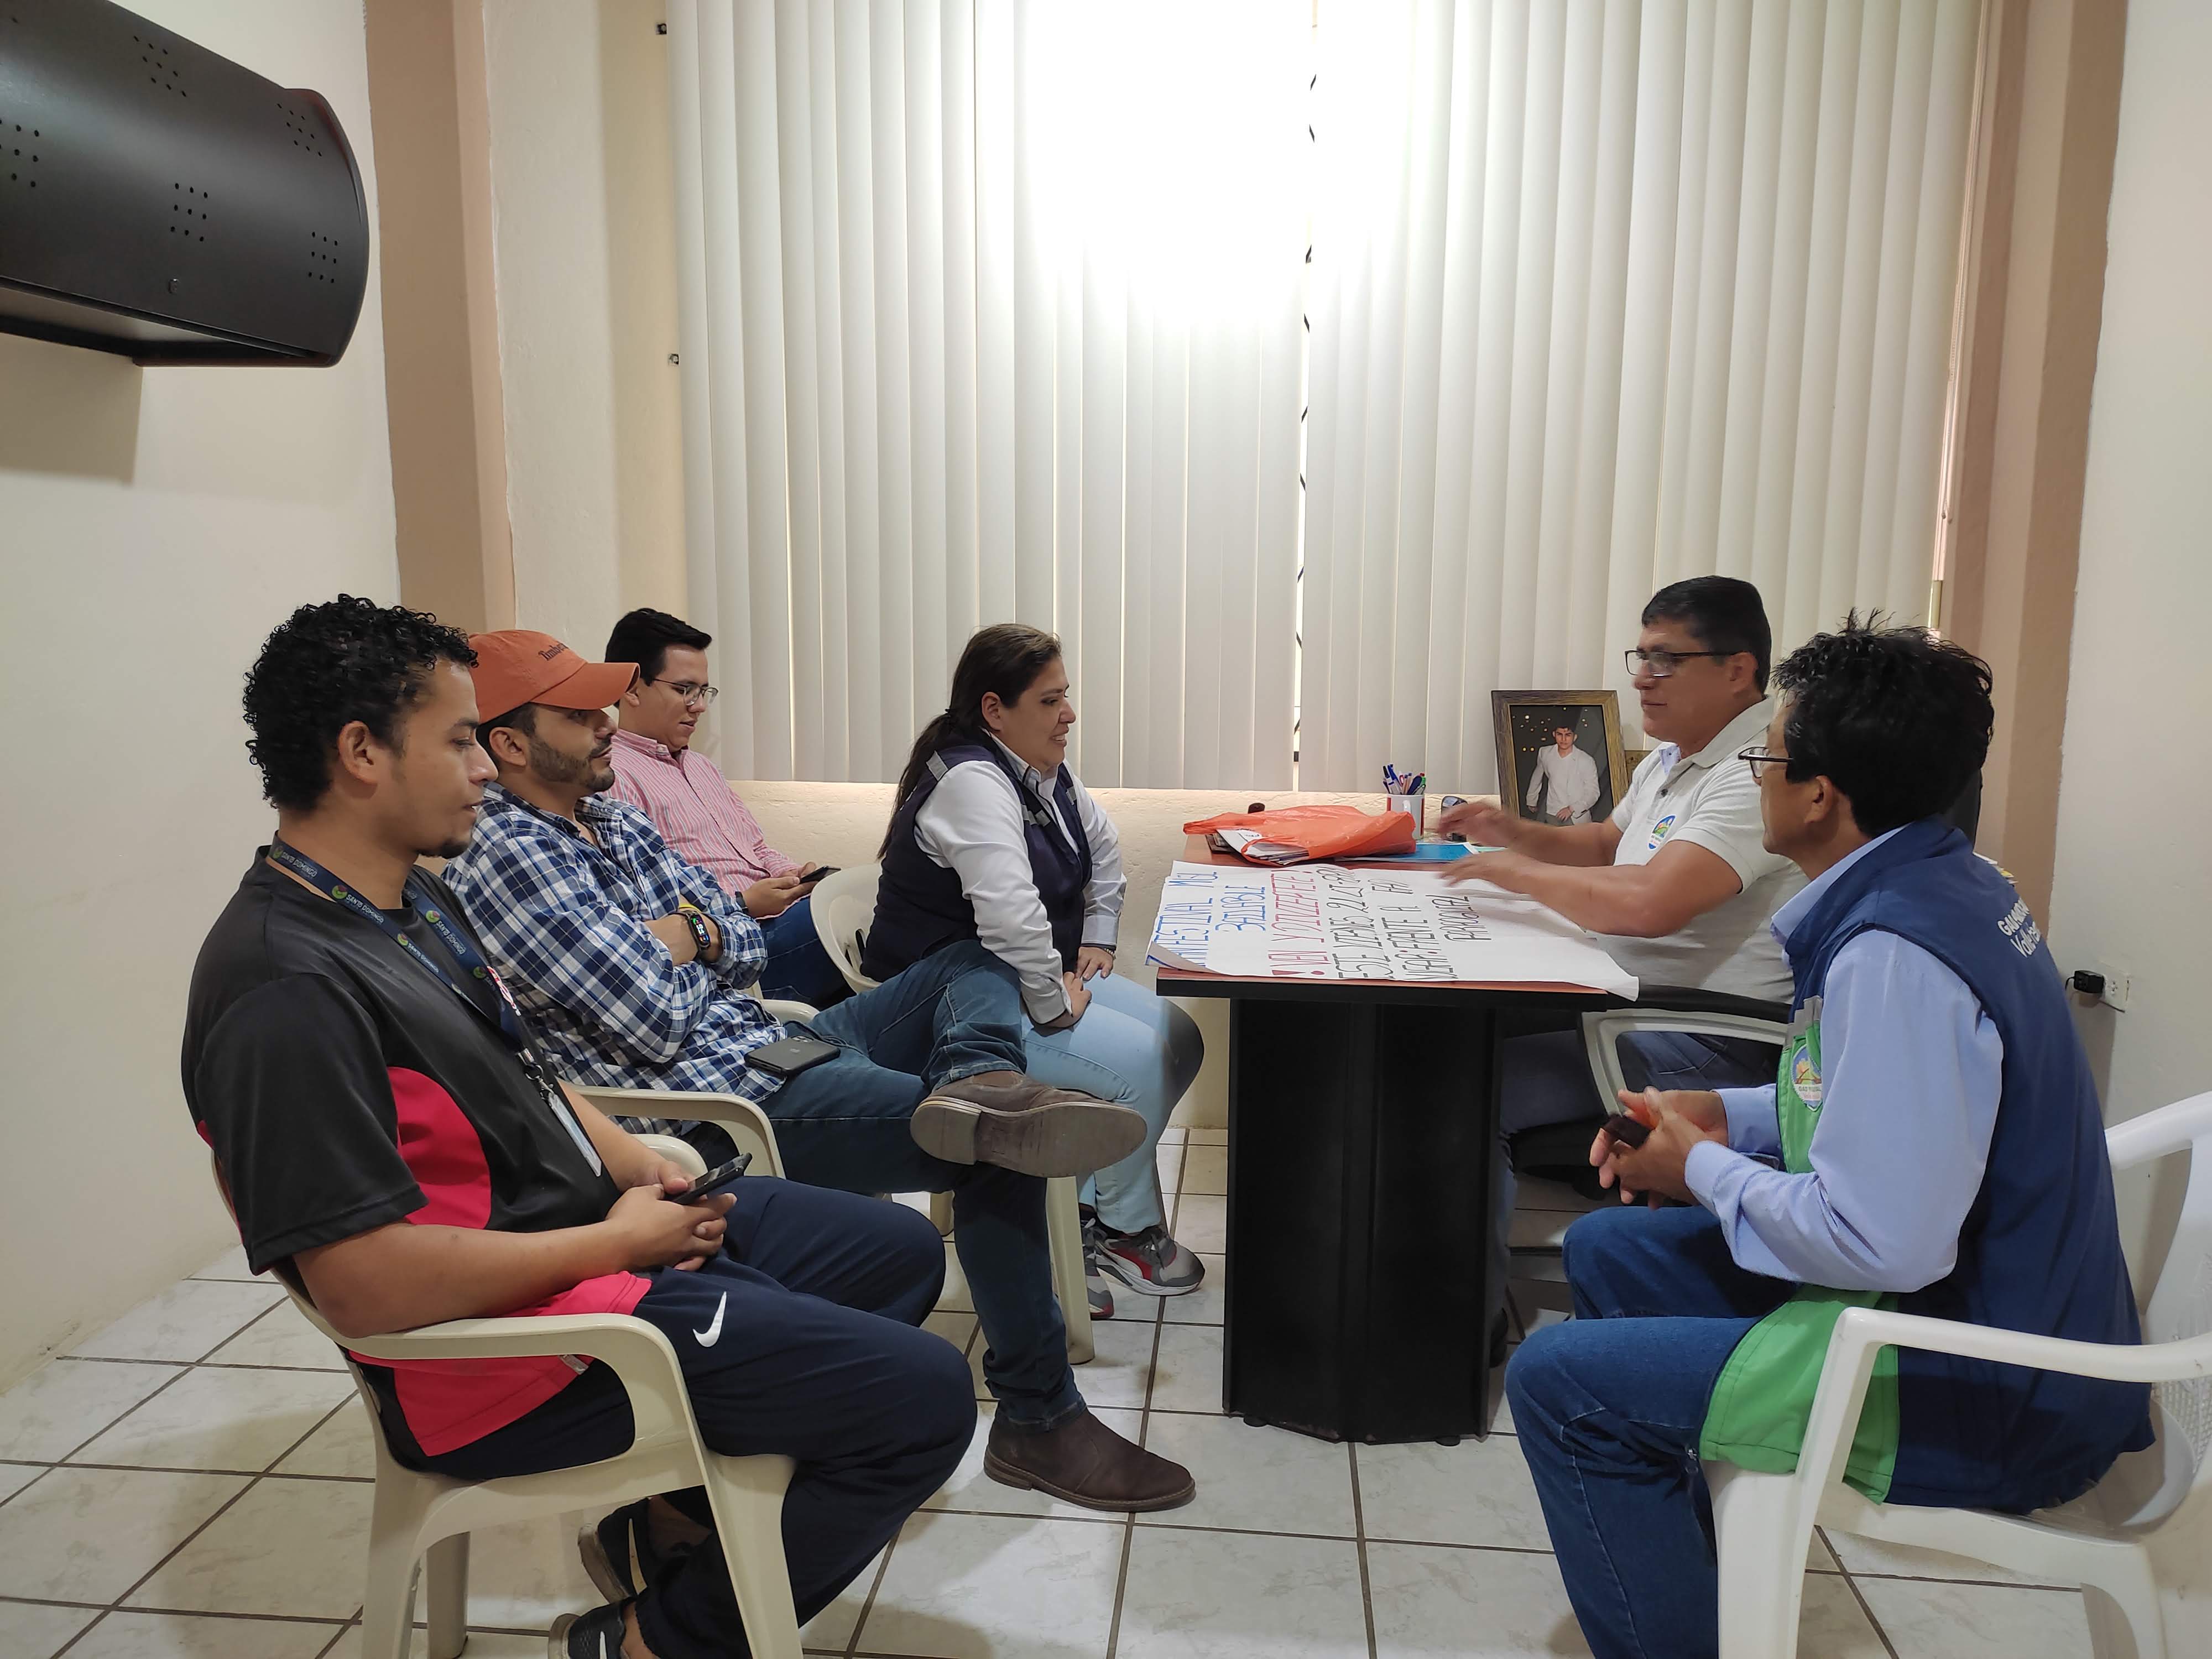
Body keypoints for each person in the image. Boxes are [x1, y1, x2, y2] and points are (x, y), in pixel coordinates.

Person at [185, 597, 979, 1659]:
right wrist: (614, 1245)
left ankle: (672, 1519)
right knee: (926, 1399)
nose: (483, 768)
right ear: (362, 752)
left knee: (897, 1253)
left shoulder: (408, 904)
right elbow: (363, 1288)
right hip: (519, 1353)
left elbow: (533, 1073)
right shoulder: (286, 987)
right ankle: (656, 1638)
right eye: (459, 741)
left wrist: (634, 1162)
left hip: (591, 1240)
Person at [1505, 617, 2152, 1659]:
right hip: (1983, 1308)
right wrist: (1731, 1116)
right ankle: (1696, 1577)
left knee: (1560, 1383)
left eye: (1767, 758)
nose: (1755, 775)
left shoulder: (1897, 954)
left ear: (1819, 796)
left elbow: (1879, 1242)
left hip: (1983, 1383)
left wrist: (1701, 1169)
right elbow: (1876, 1105)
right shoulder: (1951, 881)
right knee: (1607, 1247)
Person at [442, 629, 1196, 1513]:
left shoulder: (609, 817)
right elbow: (652, 1016)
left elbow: (746, 939)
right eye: (578, 714)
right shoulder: (509, 854)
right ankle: (1039, 1417)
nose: (607, 724)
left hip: (770, 1036)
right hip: (720, 1100)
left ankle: (979, 1081)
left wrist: (687, 937)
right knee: (999, 1147)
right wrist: (699, 938)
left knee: (972, 961)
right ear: (510, 743)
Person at [1440, 578, 1806, 1346]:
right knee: (1452, 1031)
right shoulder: (1676, 757)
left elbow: (1648, 903)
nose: (1643, 677)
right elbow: (1611, 845)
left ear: (1738, 670)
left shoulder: (1753, 772)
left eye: (1666, 660)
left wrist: (1517, 875)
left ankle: (1461, 1334)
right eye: (1641, 657)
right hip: (1620, 997)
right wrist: (1512, 832)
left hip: (1701, 1036)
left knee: (1471, 1089)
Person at [865, 625, 1205, 1320]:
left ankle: (1083, 1213)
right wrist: (1054, 1005)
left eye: (1065, 697)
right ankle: (1118, 1228)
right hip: (948, 1008)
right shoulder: (971, 783)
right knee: (1138, 1066)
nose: (1068, 715)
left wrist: (1098, 939)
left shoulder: (1039, 771)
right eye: (1050, 701)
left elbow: (1102, 849)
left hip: (1007, 979)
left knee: (1180, 1038)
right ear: (994, 710)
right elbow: (1011, 920)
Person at [603, 607, 848, 1009]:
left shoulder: (702, 767)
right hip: (731, 946)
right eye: (685, 690)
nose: (699, 706)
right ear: (631, 688)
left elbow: (756, 848)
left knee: (866, 901)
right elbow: (646, 900)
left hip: (777, 920)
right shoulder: (613, 775)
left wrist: (795, 876)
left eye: (704, 691)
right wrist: (744, 901)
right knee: (882, 915)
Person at [1525, 722, 1601, 825]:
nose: (1563, 739)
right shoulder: (1545, 753)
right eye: (1560, 734)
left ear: (1575, 737)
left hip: (1577, 816)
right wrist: (1532, 800)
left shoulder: (1586, 760)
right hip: (1553, 812)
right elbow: (1537, 777)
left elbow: (1593, 792)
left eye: (1568, 735)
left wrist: (1572, 809)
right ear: (1554, 734)